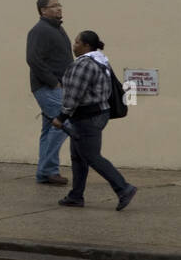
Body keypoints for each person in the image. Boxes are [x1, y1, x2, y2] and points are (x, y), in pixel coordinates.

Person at [51, 31, 137, 211]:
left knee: (91, 156)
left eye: (77, 42)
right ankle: (75, 196)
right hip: (97, 114)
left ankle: (123, 188)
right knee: (78, 156)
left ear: (86, 46)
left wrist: (61, 117)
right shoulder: (101, 60)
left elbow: (74, 95)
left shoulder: (85, 65)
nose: (74, 46)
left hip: (87, 117)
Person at [27, 0, 73, 185]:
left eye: (59, 4)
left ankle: (45, 172)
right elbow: (33, 59)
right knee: (64, 123)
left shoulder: (56, 29)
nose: (59, 8)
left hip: (56, 87)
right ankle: (48, 169)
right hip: (47, 87)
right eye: (54, 6)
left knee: (49, 129)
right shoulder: (40, 30)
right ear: (43, 10)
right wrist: (54, 82)